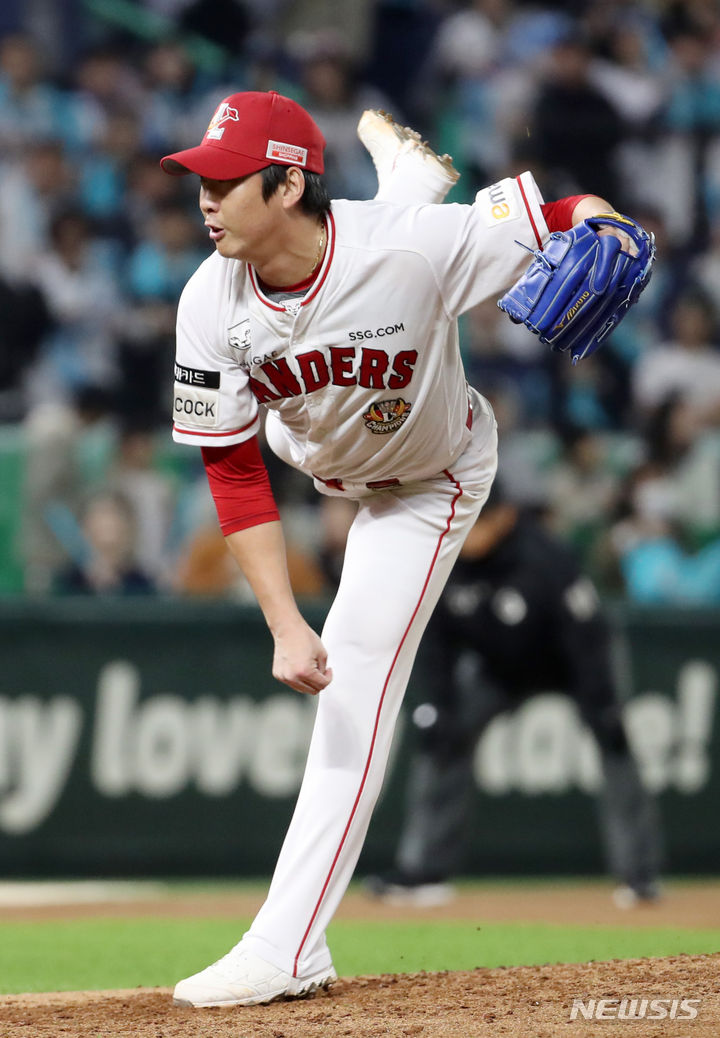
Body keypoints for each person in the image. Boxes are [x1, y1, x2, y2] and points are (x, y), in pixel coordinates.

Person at [160, 88, 635, 1007]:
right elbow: (234, 472)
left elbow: (562, 210)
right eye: (200, 180)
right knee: (396, 229)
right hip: (328, 468)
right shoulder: (206, 303)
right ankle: (408, 174)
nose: (206, 199)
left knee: (357, 685)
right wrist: (282, 622)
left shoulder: (413, 251)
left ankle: (287, 945)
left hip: (433, 476)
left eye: (225, 180)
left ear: (289, 182)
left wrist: (608, 222)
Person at [365, 483, 663, 910]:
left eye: (478, 520)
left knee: (613, 738)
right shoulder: (444, 558)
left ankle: (640, 874)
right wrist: (437, 705)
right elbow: (435, 643)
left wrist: (603, 702)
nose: (467, 530)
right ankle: (423, 871)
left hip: (570, 665)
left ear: (504, 517)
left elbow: (587, 637)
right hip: (500, 670)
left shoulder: (546, 558)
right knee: (444, 735)